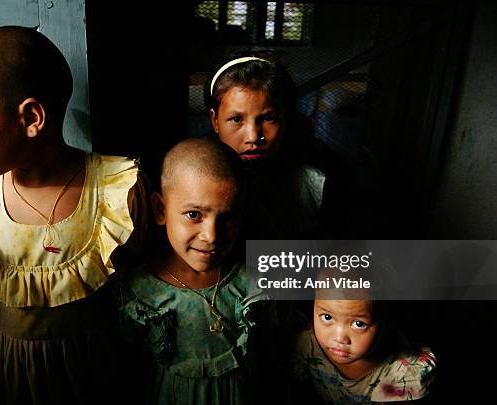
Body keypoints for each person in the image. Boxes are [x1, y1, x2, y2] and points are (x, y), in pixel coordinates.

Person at [0, 26, 145, 404]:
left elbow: (144, 287)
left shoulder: (117, 191)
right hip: (4, 375)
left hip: (97, 374)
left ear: (31, 117)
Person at [114, 138, 268, 405]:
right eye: (194, 215)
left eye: (228, 217)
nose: (211, 236)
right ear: (161, 209)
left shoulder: (252, 278)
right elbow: (126, 371)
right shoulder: (140, 292)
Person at [204, 55, 325, 239]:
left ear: (285, 118)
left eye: (268, 119)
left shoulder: (313, 184)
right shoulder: (194, 176)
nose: (253, 137)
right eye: (236, 119)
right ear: (215, 120)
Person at [291, 276, 437, 404]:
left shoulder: (403, 374)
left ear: (385, 322)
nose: (339, 338)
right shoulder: (305, 344)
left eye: (358, 324)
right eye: (327, 317)